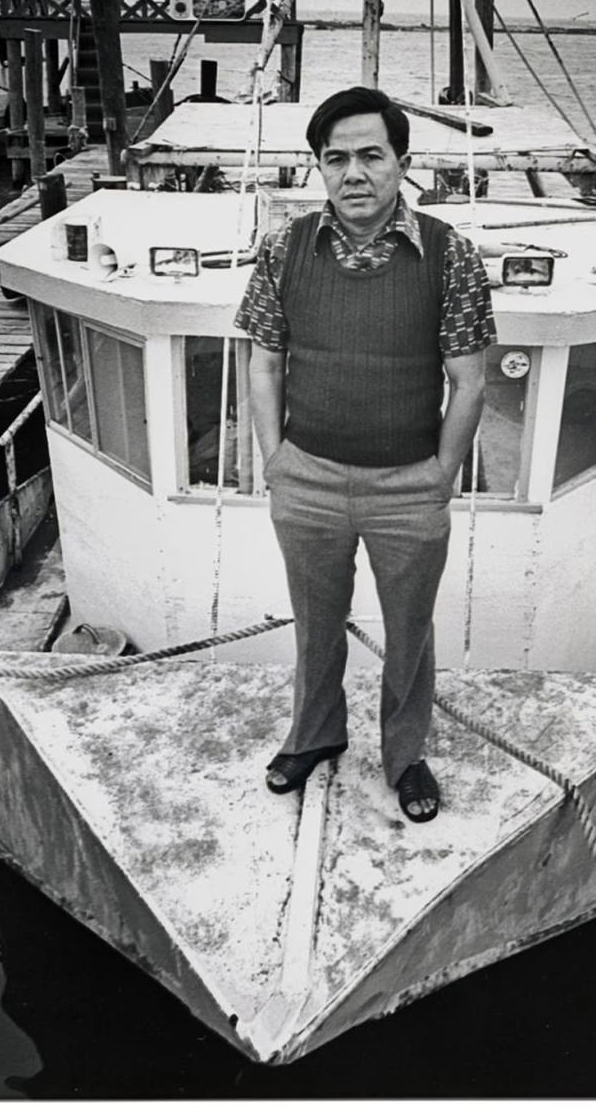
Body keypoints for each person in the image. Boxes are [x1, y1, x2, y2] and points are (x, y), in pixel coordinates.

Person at [234, 86, 493, 822]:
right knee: (315, 620)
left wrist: (439, 475)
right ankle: (315, 735)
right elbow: (263, 361)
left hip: (409, 486)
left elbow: (469, 380)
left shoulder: (452, 255)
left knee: (409, 629)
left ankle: (405, 755)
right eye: (336, 157)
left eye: (371, 155)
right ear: (319, 167)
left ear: (401, 163)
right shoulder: (285, 248)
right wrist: (275, 458)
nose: (354, 172)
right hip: (306, 477)